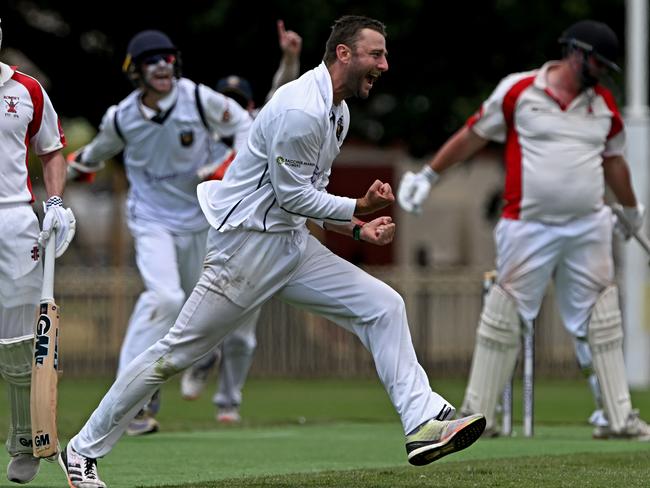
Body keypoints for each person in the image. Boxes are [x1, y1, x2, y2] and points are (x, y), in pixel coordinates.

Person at [59, 15, 486, 487]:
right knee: (172, 355)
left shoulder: (337, 112)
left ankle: (422, 422)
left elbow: (307, 195)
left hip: (288, 242)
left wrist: (358, 229)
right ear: (343, 53)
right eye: (375, 54)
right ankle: (81, 450)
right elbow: (291, 196)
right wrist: (357, 205)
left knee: (383, 304)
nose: (384, 64)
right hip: (244, 247)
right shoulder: (302, 110)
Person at [398, 19, 650, 440]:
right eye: (598, 63)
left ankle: (617, 419)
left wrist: (631, 208)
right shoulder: (519, 90)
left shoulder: (602, 104)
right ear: (576, 52)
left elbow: (613, 161)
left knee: (601, 317)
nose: (602, 73)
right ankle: (480, 417)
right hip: (527, 225)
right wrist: (429, 175)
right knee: (504, 314)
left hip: (588, 225)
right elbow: (473, 134)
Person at [66, 29, 253, 436]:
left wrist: (232, 166)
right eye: (152, 60)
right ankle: (130, 402)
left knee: (202, 314)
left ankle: (201, 355)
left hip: (201, 218)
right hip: (151, 221)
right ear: (135, 70)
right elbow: (96, 152)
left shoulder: (199, 98)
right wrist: (72, 169)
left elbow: (246, 126)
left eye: (168, 57)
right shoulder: (122, 116)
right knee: (164, 297)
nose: (163, 65)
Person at [179, 20, 303, 424]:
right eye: (224, 98)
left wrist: (289, 57)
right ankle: (202, 357)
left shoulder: (254, 127)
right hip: (202, 233)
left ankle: (228, 401)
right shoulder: (195, 131)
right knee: (194, 310)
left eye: (237, 99)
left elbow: (282, 90)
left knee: (244, 332)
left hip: (249, 237)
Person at [0, 17, 76, 484]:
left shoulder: (25, 88)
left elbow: (52, 150)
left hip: (13, 219)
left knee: (17, 342)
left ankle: (26, 438)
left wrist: (55, 201)